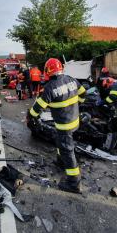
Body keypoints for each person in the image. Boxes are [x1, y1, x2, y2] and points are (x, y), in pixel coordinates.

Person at [28, 58, 86, 193]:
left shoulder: (49, 87)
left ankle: (74, 183)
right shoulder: (71, 79)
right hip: (75, 122)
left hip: (64, 125)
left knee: (67, 150)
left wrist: (31, 116)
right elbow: (83, 93)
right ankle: (61, 162)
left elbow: (37, 108)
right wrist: (78, 104)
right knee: (61, 143)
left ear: (48, 71)